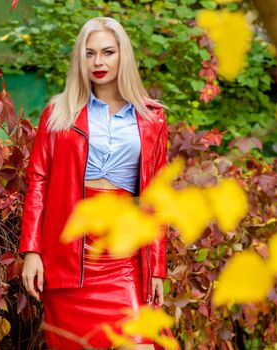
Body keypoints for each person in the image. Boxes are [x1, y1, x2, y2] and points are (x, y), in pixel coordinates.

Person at [19, 17, 168, 349]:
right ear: (79, 60)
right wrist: (32, 251)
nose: (98, 62)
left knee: (138, 343)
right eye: (89, 54)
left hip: (123, 256)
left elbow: (157, 199)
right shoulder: (59, 112)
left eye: (108, 52)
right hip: (68, 253)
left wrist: (156, 268)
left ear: (122, 56)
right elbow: (38, 181)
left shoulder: (151, 118)